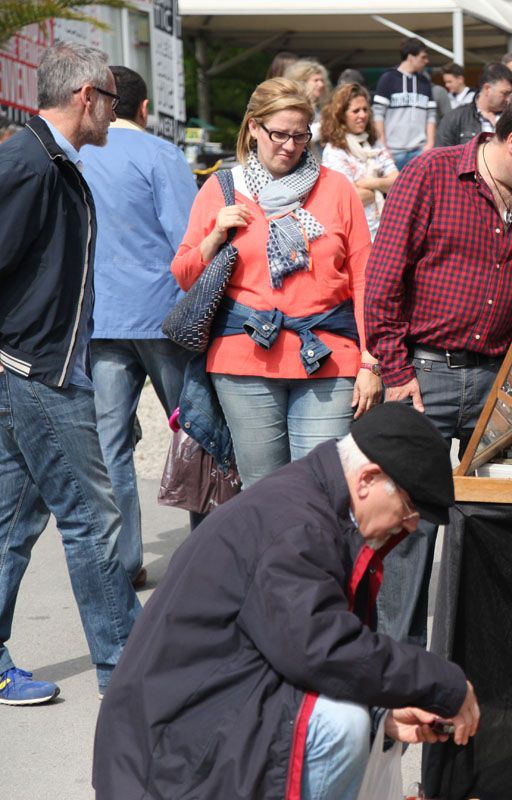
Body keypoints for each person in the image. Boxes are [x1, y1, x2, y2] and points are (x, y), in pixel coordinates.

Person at [92, 403, 482, 799]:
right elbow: (323, 650)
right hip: (166, 760)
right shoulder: (298, 527)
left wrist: (382, 714)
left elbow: (303, 654)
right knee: (341, 724)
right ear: (368, 479)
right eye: (411, 509)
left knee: (359, 715)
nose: (412, 524)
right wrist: (441, 682)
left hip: (192, 722)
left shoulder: (310, 501)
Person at [364, 92, 512, 646]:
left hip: (501, 381)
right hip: (424, 376)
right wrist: (398, 375)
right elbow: (382, 284)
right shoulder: (429, 175)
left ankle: (485, 653)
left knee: (499, 518)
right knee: (408, 526)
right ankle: (394, 668)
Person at [0, 42, 141, 705]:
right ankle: (130, 668)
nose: (117, 113)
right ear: (87, 95)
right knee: (94, 518)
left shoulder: (47, 159)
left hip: (33, 367)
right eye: (112, 100)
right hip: (37, 373)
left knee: (13, 525)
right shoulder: (29, 161)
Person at [171, 78, 383, 488]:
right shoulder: (222, 189)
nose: (289, 146)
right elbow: (183, 276)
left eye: (300, 136)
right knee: (264, 492)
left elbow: (365, 280)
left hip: (329, 355)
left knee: (323, 489)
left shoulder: (336, 188)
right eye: (278, 134)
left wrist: (370, 362)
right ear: (253, 128)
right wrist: (215, 235)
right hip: (244, 359)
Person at [80, 65, 198, 587]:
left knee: (110, 446)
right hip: (164, 315)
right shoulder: (160, 154)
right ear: (144, 108)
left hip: (101, 317)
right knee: (196, 431)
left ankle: (124, 561)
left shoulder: (78, 153)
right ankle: (209, 554)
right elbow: (189, 238)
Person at [321, 82, 399, 241]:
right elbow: (351, 198)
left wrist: (368, 183)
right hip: (355, 234)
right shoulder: (334, 150)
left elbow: (398, 182)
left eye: (365, 109)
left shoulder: (373, 143)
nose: (362, 115)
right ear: (341, 115)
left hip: (383, 229)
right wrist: (384, 188)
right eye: (356, 111)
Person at [372, 38, 437, 171]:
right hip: (393, 152)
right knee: (392, 191)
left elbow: (431, 115)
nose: (427, 61)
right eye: (423, 57)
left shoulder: (425, 82)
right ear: (410, 57)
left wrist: (429, 144)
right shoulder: (388, 78)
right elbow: (378, 114)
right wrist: (383, 147)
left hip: (419, 150)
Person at [435, 61, 512, 147]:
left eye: (510, 93)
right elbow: (441, 156)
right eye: (504, 93)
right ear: (487, 88)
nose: (508, 99)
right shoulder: (454, 118)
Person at [284, 58, 330, 142]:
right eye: (316, 80)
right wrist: (326, 125)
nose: (321, 84)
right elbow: (301, 135)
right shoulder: (294, 107)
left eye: (322, 80)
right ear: (302, 82)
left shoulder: (319, 108)